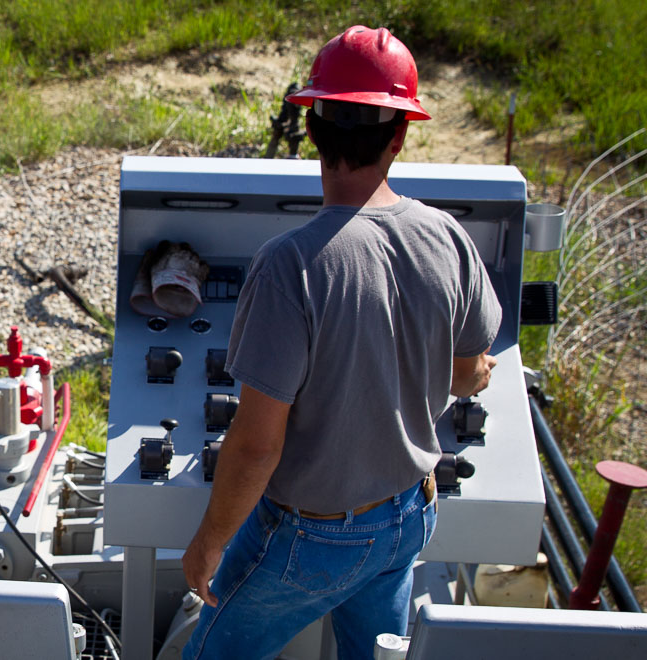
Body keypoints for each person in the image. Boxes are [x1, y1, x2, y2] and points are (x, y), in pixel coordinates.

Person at [180, 26, 502, 660]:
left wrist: (208, 543)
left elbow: (256, 444)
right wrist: (465, 371)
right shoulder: (449, 237)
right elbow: (469, 373)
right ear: (399, 134)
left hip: (313, 538)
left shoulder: (288, 266)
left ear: (312, 130)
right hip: (409, 514)